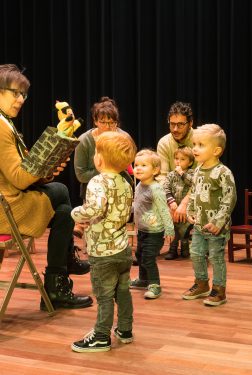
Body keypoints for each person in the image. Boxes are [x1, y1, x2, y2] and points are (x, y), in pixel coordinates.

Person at [0, 63, 92, 310]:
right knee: (61, 193)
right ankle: (57, 282)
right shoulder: (0, 127)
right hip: (6, 209)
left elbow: (20, 169)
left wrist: (47, 168)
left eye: (24, 94)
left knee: (63, 212)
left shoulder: (5, 122)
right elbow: (19, 178)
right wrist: (52, 150)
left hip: (10, 201)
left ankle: (58, 282)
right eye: (14, 93)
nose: (20, 99)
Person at [71, 132, 137, 353]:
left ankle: (101, 336)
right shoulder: (126, 183)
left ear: (99, 158)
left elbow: (95, 208)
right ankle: (125, 329)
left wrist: (76, 213)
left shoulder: (97, 182)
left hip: (103, 252)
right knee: (123, 291)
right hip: (123, 249)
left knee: (105, 295)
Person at [182, 124, 237, 306]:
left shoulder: (223, 173)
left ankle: (219, 290)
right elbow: (194, 192)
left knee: (215, 257)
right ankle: (202, 283)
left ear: (216, 150)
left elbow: (229, 199)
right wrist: (190, 210)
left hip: (216, 227)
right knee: (196, 254)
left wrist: (218, 221)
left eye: (200, 145)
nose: (195, 149)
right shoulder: (197, 170)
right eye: (194, 144)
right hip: (199, 224)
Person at [73, 96, 134, 238]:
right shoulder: (84, 141)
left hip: (118, 183)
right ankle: (85, 222)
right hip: (93, 186)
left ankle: (83, 222)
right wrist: (106, 171)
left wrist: (110, 171)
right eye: (103, 122)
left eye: (112, 123)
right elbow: (81, 175)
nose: (107, 127)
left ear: (117, 123)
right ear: (95, 122)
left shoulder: (124, 137)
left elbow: (129, 166)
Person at [130, 149, 174, 299]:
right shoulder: (139, 186)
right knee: (140, 255)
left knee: (148, 258)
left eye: (144, 165)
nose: (138, 168)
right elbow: (137, 205)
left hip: (154, 232)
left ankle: (155, 284)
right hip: (142, 230)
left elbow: (164, 210)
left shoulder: (156, 189)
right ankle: (143, 280)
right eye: (136, 165)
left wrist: (170, 230)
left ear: (155, 170)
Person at [157, 101, 196, 224]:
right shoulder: (164, 143)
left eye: (180, 125)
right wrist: (170, 202)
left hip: (195, 193)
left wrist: (185, 203)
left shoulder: (199, 139)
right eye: (172, 124)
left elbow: (201, 179)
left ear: (190, 123)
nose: (175, 129)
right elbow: (162, 177)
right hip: (172, 195)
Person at [163, 146, 195, 260]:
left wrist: (182, 173)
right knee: (174, 228)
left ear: (190, 162)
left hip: (187, 209)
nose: (178, 161)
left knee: (185, 230)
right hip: (173, 207)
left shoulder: (192, 173)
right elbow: (166, 188)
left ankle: (185, 249)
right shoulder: (171, 174)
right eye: (176, 158)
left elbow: (193, 183)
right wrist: (171, 201)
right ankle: (173, 249)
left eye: (182, 159)